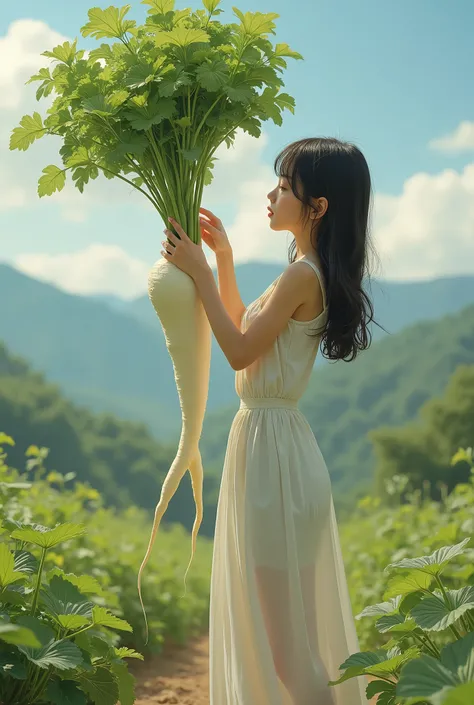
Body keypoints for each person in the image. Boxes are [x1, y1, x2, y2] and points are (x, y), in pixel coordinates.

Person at [160, 136, 381, 705]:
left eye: (284, 187)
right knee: (296, 639)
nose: (271, 194)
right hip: (277, 449)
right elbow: (242, 330)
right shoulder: (302, 272)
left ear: (319, 206)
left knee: (288, 652)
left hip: (272, 457)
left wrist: (199, 273)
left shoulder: (302, 277)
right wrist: (223, 261)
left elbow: (235, 353)